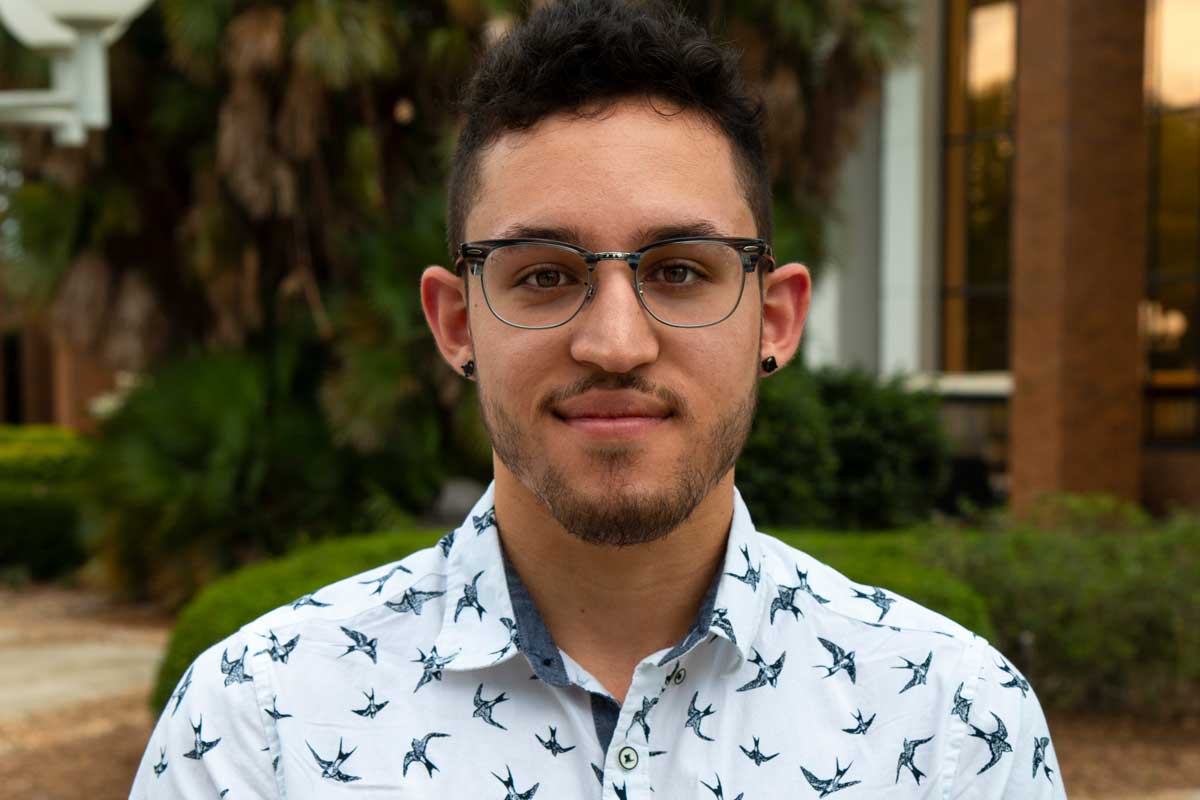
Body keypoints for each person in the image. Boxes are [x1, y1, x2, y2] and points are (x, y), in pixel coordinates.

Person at [130, 1, 1067, 797]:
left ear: (775, 319)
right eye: (542, 275)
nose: (616, 343)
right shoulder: (258, 727)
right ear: (457, 322)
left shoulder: (952, 728)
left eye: (680, 270)